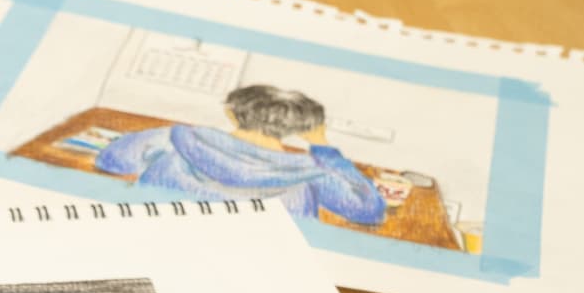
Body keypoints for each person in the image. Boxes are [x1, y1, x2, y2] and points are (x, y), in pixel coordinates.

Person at [94, 83, 387, 225]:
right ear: (302, 129)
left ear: (231, 114)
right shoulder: (314, 172)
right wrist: (322, 145)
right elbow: (368, 212)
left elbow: (111, 160)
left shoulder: (178, 137)